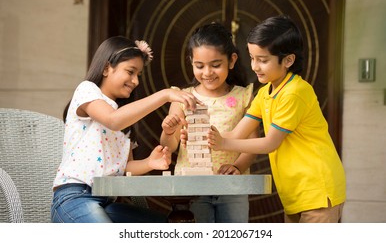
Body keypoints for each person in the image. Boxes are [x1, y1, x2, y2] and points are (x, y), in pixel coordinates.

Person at [205, 15, 346, 223]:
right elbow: (237, 134)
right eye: (252, 58)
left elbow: (270, 143)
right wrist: (200, 136)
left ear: (288, 60)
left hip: (317, 191)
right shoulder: (265, 93)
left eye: (262, 60)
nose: (254, 66)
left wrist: (223, 143)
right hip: (295, 194)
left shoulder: (295, 92)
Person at [51, 36, 200, 223]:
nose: (136, 81)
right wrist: (164, 95)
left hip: (105, 201)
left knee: (165, 226)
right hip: (73, 198)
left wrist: (150, 162)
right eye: (130, 72)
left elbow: (124, 167)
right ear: (106, 68)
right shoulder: (87, 90)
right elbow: (113, 121)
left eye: (138, 75)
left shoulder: (125, 115)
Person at [160, 23, 258, 223]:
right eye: (200, 66)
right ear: (191, 62)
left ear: (231, 61)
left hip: (232, 187)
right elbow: (169, 147)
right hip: (191, 187)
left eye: (215, 65)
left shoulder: (243, 97)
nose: (207, 72)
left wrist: (237, 167)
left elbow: (251, 144)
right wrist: (169, 132)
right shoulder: (182, 97)